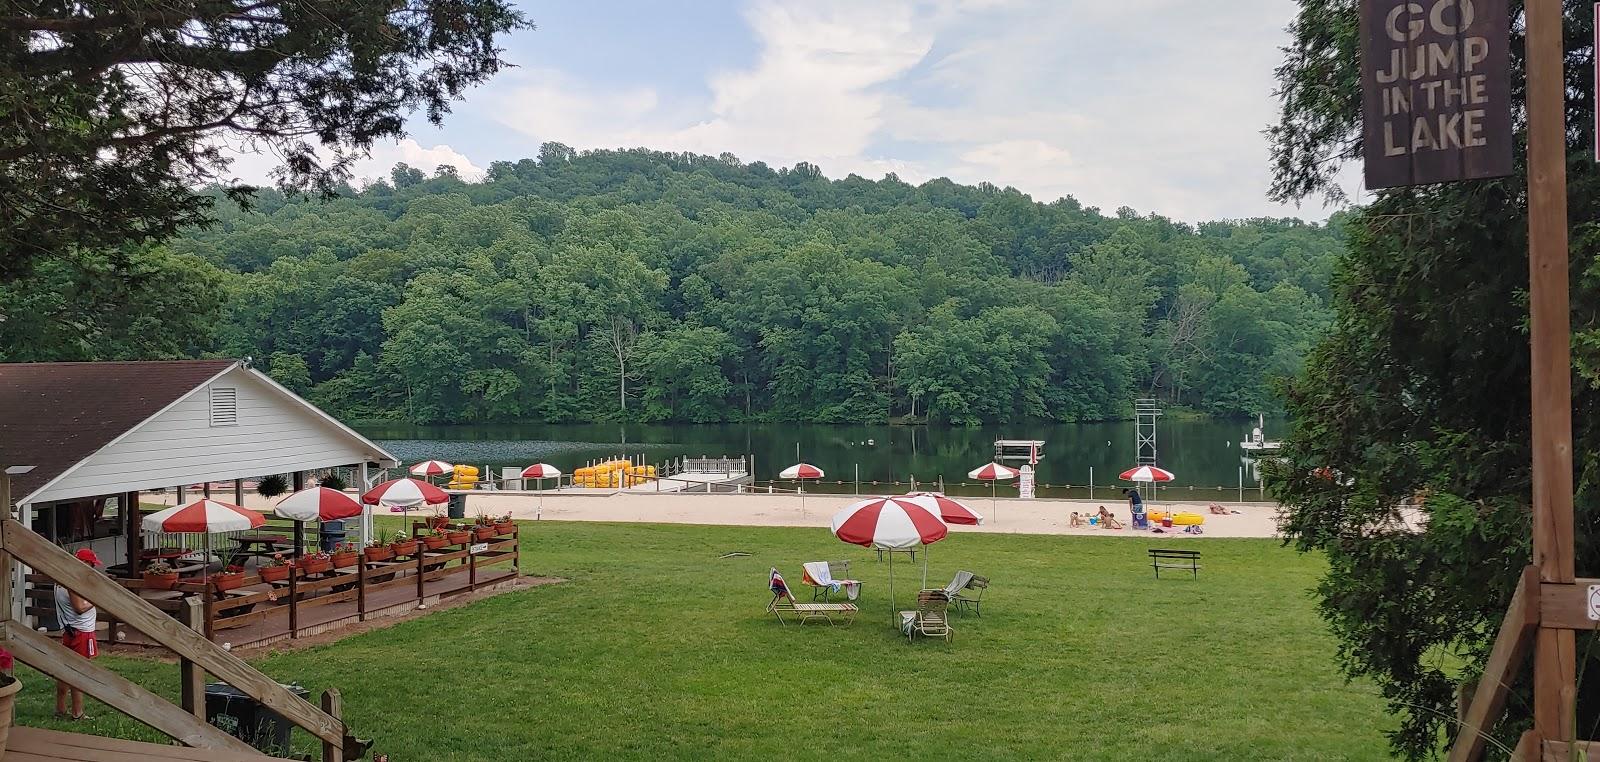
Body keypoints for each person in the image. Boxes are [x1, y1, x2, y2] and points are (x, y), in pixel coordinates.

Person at [55, 548, 100, 720]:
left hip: (70, 631)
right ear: (82, 563)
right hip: (81, 631)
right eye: (91, 565)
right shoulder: (71, 582)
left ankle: (60, 708)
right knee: (79, 672)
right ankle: (77, 713)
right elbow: (79, 608)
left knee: (65, 670)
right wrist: (96, 601)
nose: (92, 569)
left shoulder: (60, 579)